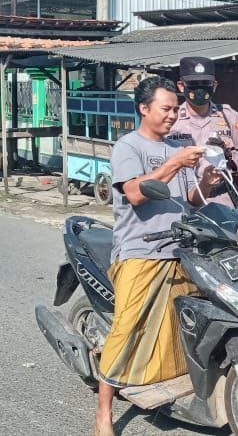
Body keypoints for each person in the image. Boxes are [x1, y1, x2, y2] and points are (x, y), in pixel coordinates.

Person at [93, 76, 221, 436]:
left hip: (180, 251)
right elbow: (135, 193)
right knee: (126, 329)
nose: (172, 115)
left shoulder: (174, 149)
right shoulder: (128, 147)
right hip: (141, 252)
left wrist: (206, 183)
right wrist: (177, 163)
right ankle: (103, 412)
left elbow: (187, 202)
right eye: (166, 109)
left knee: (185, 328)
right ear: (144, 109)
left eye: (176, 110)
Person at [169, 56, 238, 207]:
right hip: (184, 202)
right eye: (194, 84)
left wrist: (229, 161)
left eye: (205, 84)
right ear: (181, 86)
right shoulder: (171, 120)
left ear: (214, 86)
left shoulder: (228, 115)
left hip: (223, 200)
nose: (200, 88)